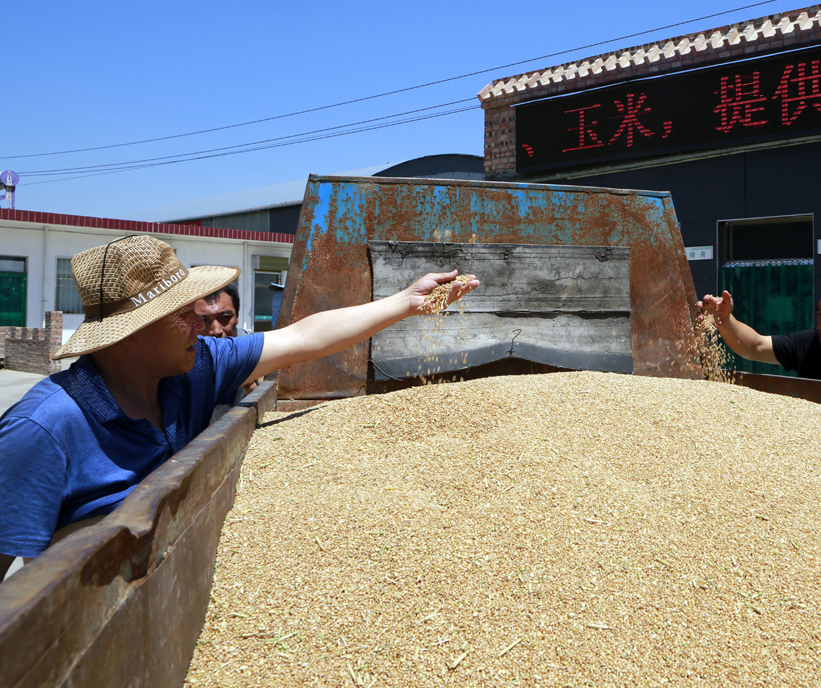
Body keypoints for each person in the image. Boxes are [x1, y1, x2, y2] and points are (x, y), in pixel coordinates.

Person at [0, 235, 477, 577]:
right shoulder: (43, 428)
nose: (202, 327)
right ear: (134, 329)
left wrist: (405, 302)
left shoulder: (194, 368)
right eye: (184, 315)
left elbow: (301, 338)